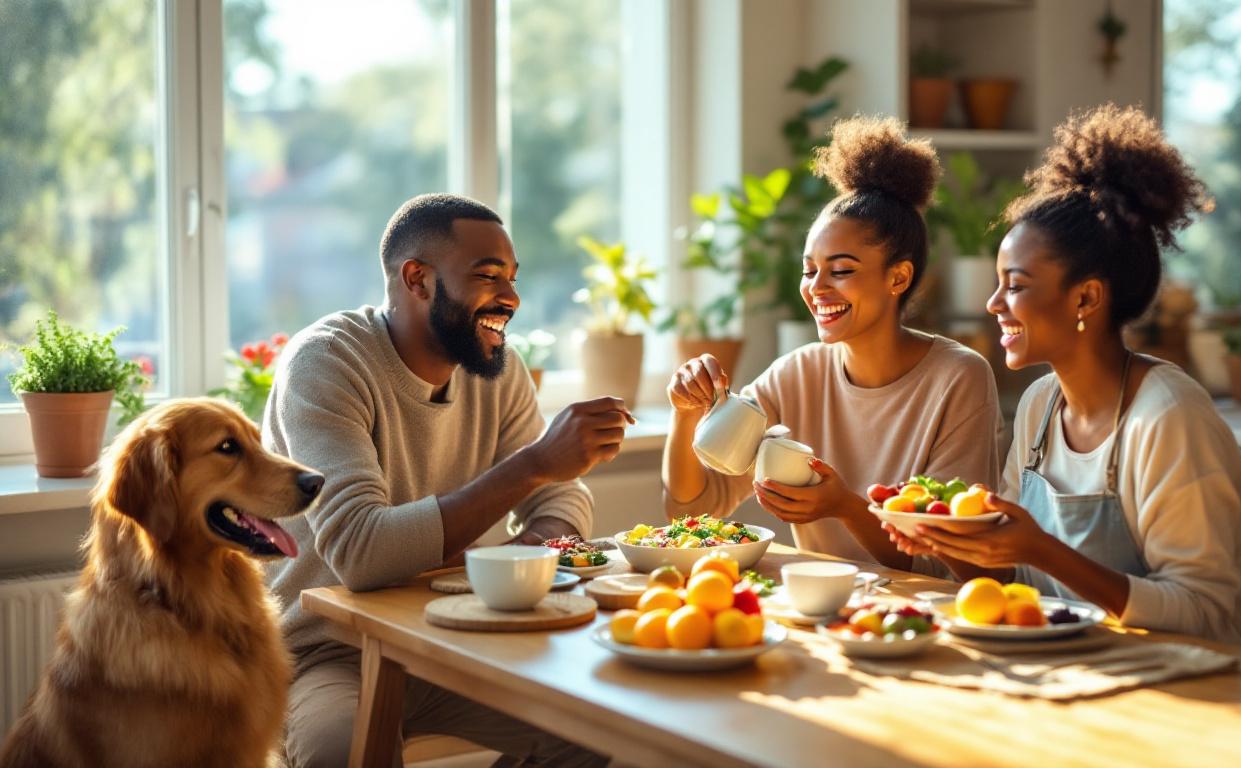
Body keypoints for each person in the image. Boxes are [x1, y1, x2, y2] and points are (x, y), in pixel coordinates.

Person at [886, 105, 1241, 650]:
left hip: (1207, 692)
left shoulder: (1167, 417)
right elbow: (1020, 590)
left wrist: (1038, 549)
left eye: (1015, 285)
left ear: (1086, 297)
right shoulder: (1040, 406)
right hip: (1088, 674)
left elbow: (1203, 612)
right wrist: (945, 541)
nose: (994, 303)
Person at [266, 193, 626, 766]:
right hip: (329, 651)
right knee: (342, 754)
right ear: (418, 280)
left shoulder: (495, 368)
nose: (510, 298)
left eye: (512, 277)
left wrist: (534, 547)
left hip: (456, 636)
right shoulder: (326, 363)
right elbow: (359, 553)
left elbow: (561, 493)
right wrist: (532, 465)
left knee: (604, 729)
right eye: (488, 276)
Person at [663, 116, 1002, 569]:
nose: (817, 287)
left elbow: (953, 560)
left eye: (840, 271)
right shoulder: (796, 375)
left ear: (898, 277)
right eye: (809, 270)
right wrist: (685, 415)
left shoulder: (958, 377)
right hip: (822, 616)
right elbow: (691, 511)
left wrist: (845, 507)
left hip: (919, 618)